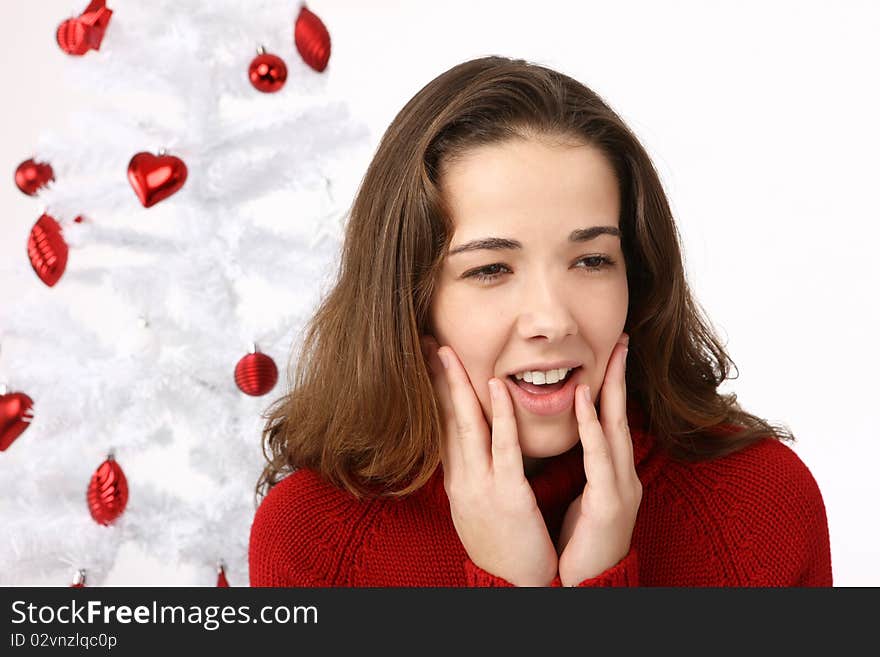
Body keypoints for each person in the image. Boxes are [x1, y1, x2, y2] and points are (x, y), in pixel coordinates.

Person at [248, 55, 832, 587]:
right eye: (491, 269)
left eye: (592, 260)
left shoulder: (761, 503)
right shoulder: (314, 540)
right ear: (409, 297)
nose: (552, 320)